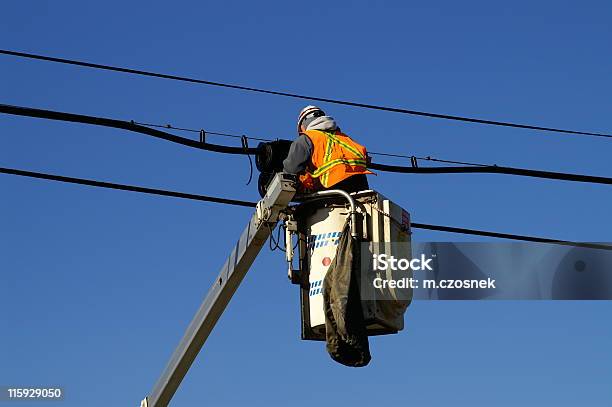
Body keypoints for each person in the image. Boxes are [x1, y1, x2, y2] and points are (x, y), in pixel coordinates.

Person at [283, 105, 372, 193]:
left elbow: (290, 171)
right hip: (361, 187)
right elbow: (365, 159)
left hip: (332, 189)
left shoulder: (306, 138)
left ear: (303, 125)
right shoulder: (345, 138)